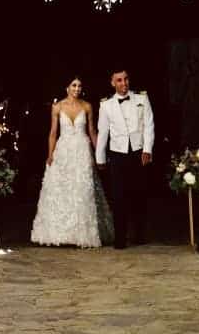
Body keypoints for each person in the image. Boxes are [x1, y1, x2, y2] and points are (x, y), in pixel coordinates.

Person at [30, 76, 102, 247]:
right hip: (63, 151)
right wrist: (50, 155)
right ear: (67, 87)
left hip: (82, 150)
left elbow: (92, 131)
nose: (77, 89)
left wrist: (99, 154)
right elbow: (53, 133)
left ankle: (82, 235)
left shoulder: (87, 106)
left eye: (79, 86)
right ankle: (61, 233)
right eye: (74, 85)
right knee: (62, 188)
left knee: (82, 189)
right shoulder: (58, 106)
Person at [96, 68, 154, 249]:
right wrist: (100, 158)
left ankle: (139, 235)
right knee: (118, 197)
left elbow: (149, 125)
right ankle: (120, 238)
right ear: (112, 83)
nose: (124, 83)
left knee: (139, 194)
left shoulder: (142, 98)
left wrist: (147, 150)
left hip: (138, 152)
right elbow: (103, 133)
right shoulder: (106, 105)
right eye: (119, 80)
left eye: (126, 79)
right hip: (117, 154)